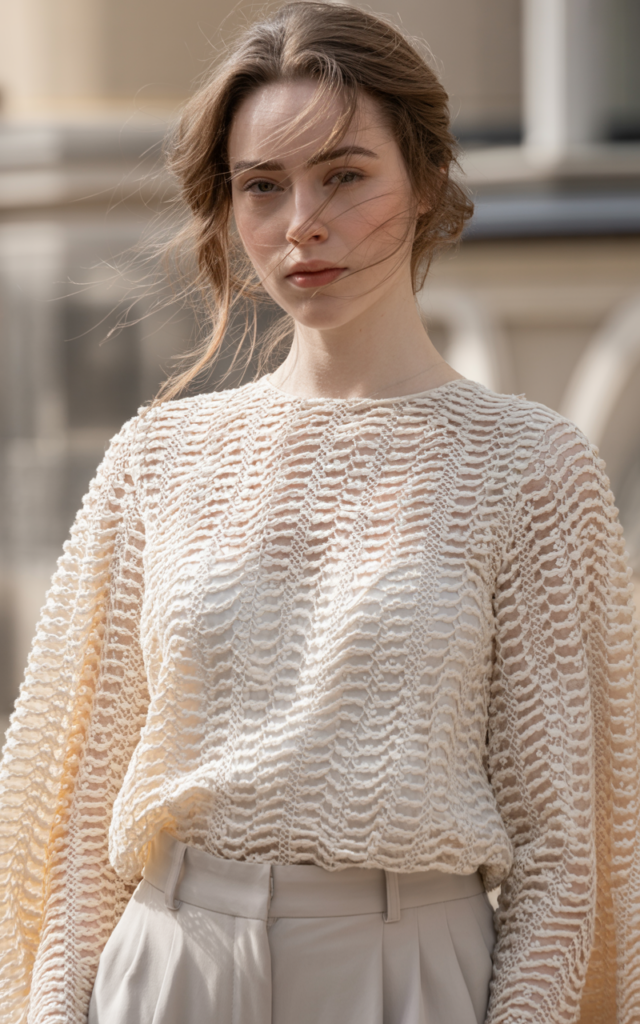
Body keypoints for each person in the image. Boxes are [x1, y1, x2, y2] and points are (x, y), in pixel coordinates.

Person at [0, 3, 639, 1022]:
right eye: (262, 186)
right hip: (168, 970)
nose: (301, 222)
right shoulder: (154, 459)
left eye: (344, 175)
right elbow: (71, 823)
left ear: (425, 182)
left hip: (408, 977)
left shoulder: (531, 466)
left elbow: (573, 853)